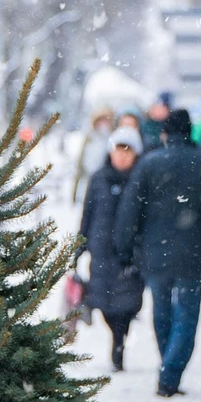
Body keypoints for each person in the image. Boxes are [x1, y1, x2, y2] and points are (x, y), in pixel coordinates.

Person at [114, 109, 201, 396]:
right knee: (187, 316)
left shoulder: (148, 164)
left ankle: (167, 366)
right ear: (189, 133)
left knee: (162, 311)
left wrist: (125, 248)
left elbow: (130, 210)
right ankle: (171, 371)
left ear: (165, 134)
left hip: (155, 253)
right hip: (193, 253)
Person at [78, 126, 146, 372]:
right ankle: (117, 339)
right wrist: (79, 246)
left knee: (128, 305)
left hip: (130, 254)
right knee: (105, 303)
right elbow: (87, 214)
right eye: (119, 150)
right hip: (101, 251)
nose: (122, 156)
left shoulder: (141, 179)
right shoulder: (99, 178)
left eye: (128, 151)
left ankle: (119, 343)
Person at [72, 107, 114, 203]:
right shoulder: (90, 138)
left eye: (106, 121)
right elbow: (81, 162)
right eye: (101, 121)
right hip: (87, 178)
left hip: (104, 180)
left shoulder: (112, 139)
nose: (103, 125)